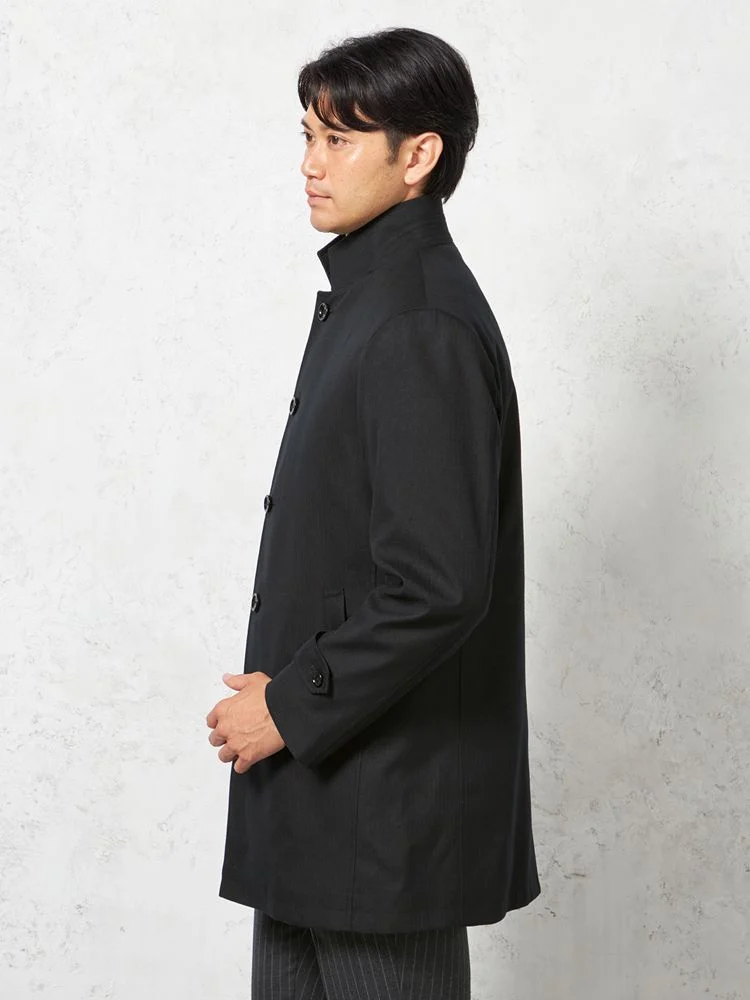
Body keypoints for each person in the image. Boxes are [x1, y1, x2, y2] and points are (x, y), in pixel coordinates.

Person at [205, 26, 541, 999]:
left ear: (418, 155)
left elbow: (436, 586)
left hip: (383, 822)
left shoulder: (419, 321)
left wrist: (286, 704)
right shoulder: (371, 300)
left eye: (340, 139)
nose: (311, 164)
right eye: (308, 136)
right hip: (320, 796)